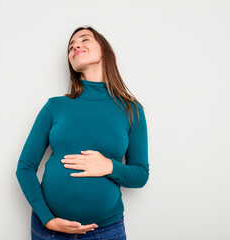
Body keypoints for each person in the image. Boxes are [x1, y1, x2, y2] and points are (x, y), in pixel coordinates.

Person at [15, 26, 150, 240]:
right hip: (48, 230)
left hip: (105, 231)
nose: (76, 46)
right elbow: (25, 168)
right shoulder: (55, 106)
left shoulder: (131, 110)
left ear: (104, 50)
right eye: (71, 47)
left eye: (84, 39)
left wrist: (108, 166)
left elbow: (141, 175)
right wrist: (46, 218)